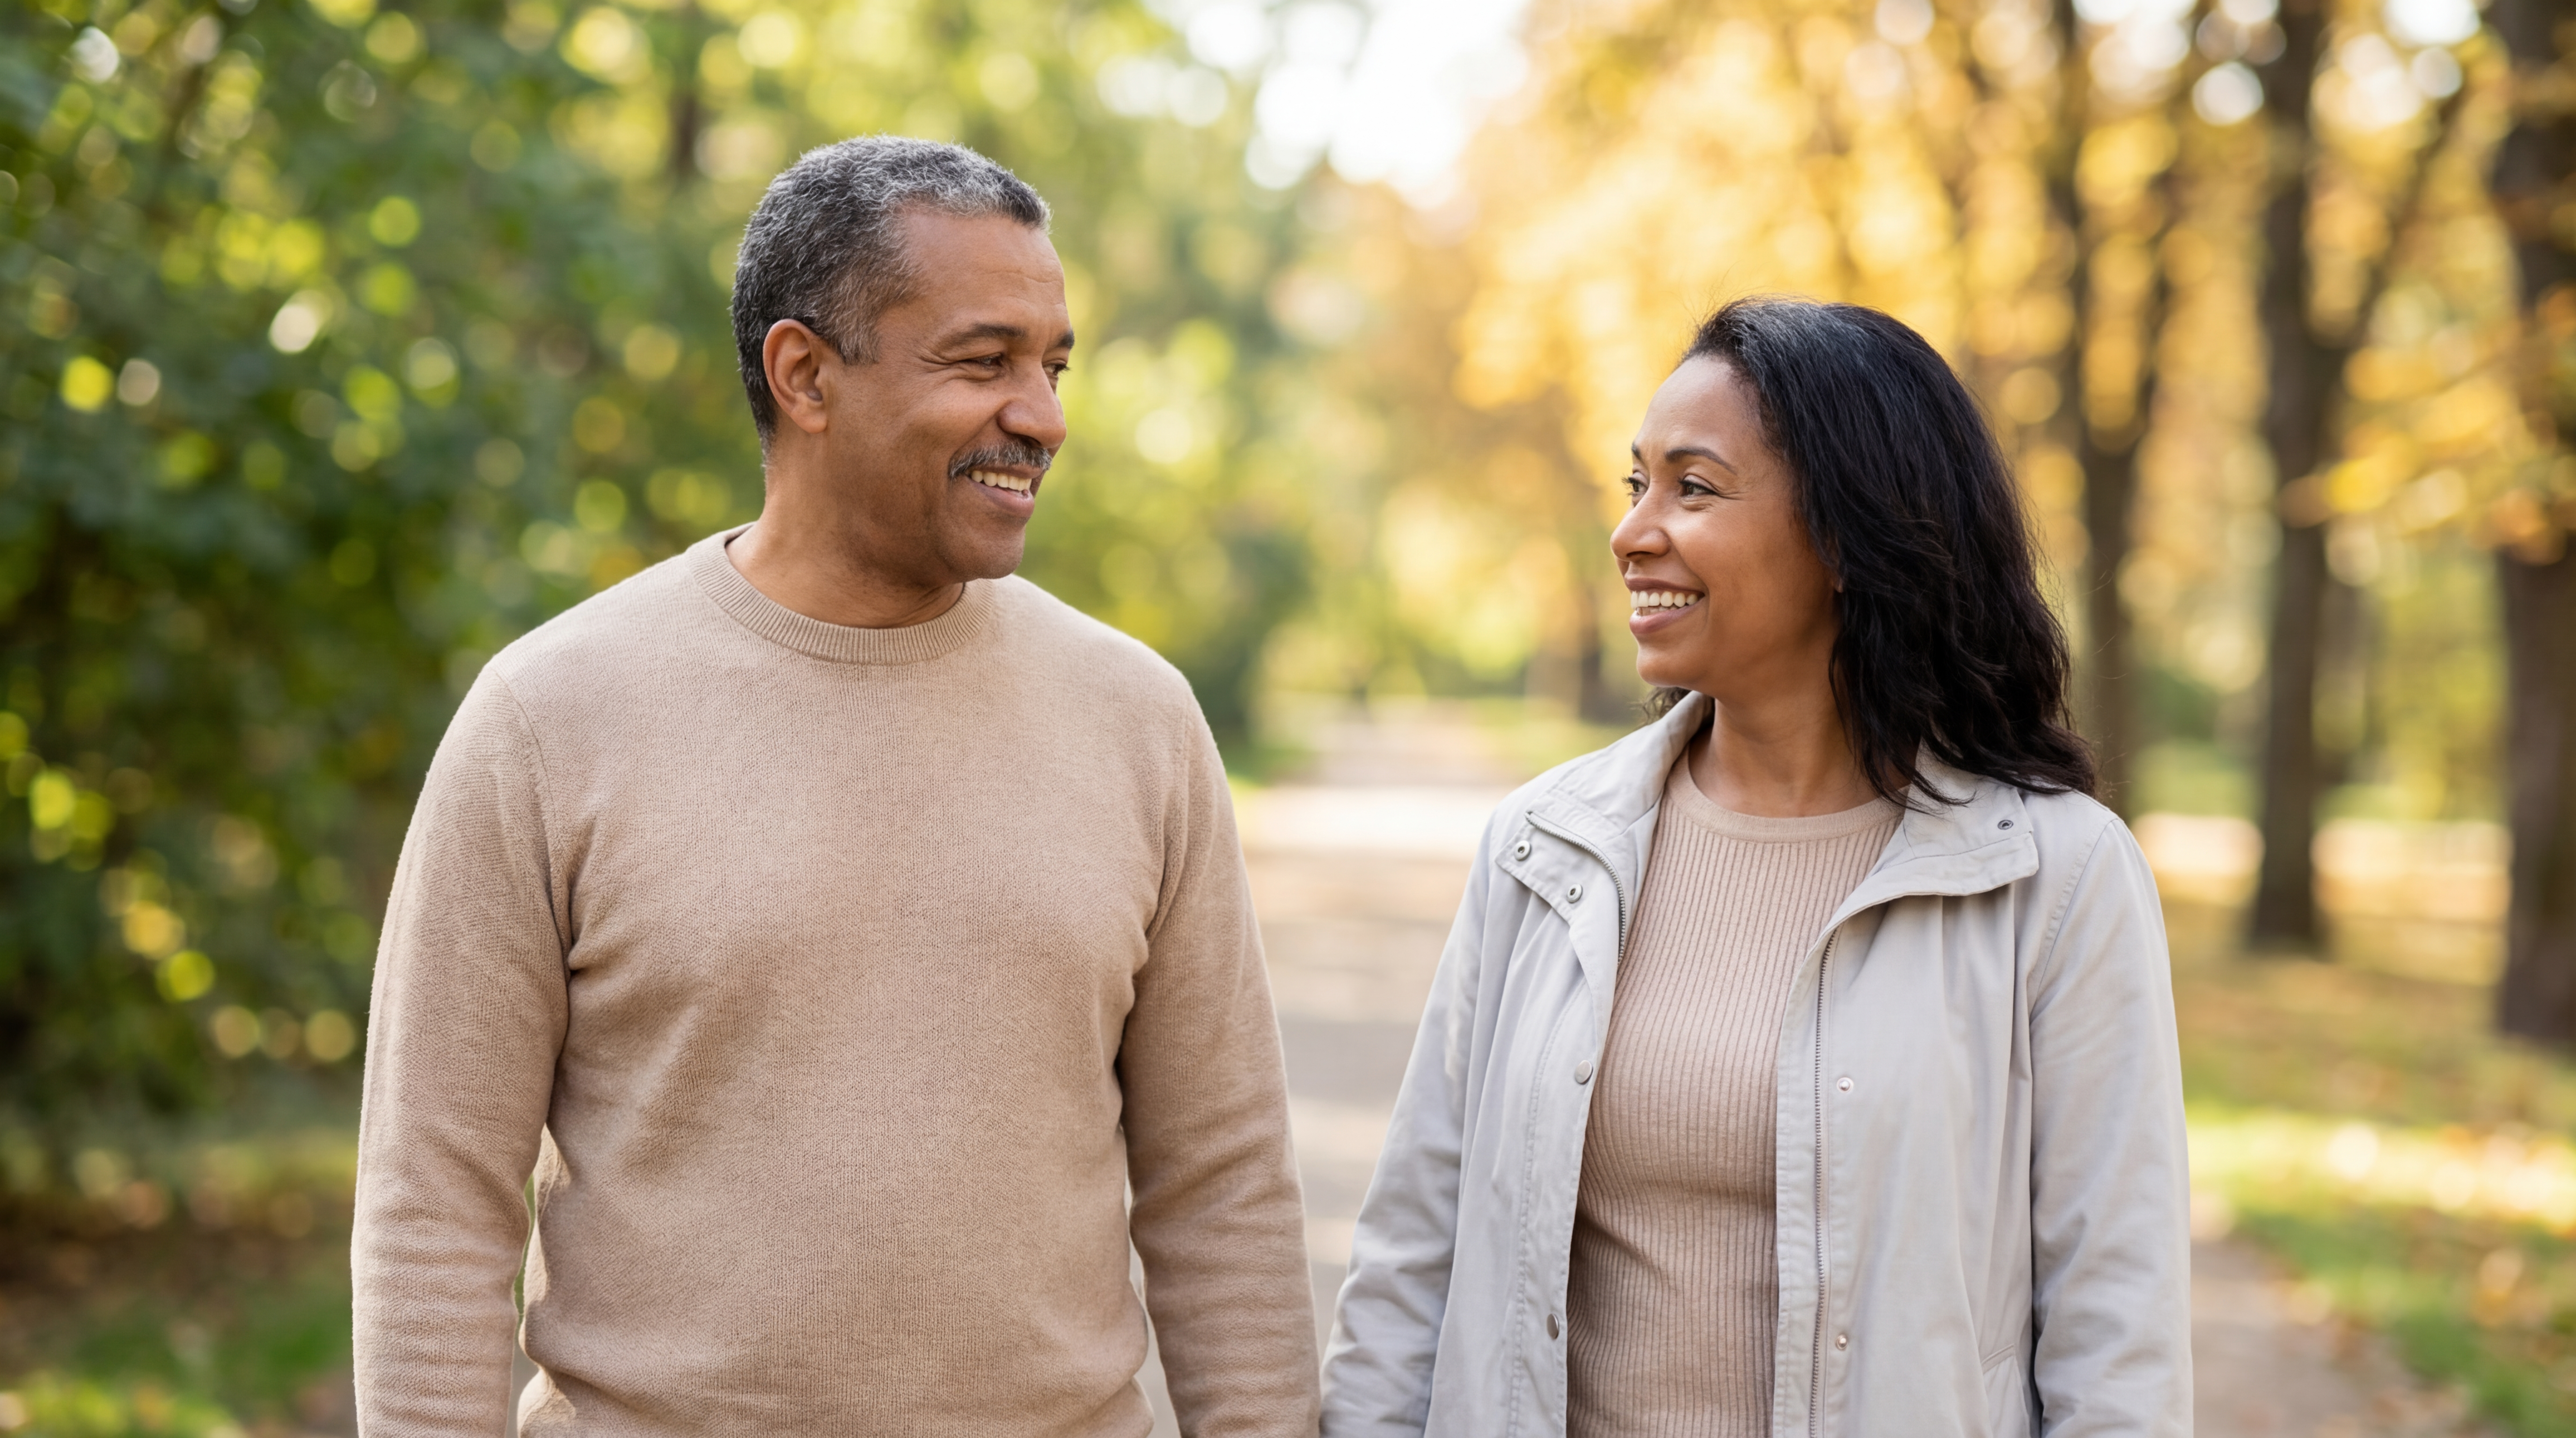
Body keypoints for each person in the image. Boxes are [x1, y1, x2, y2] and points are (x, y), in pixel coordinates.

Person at [352, 137, 1320, 1435]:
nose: (1042, 417)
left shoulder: (1139, 719)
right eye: (983, 361)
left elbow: (1224, 1191)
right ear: (804, 375)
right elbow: (434, 1203)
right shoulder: (548, 718)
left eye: (1053, 365)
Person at [1320, 298, 2190, 1437]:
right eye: (1635, 484)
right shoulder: (1543, 849)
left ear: (1848, 535)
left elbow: (2117, 1346)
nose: (1632, 533)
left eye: (1692, 488)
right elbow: (1411, 1262)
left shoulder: (2054, 880)